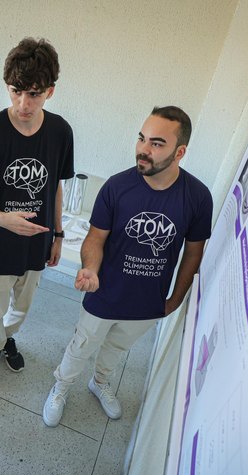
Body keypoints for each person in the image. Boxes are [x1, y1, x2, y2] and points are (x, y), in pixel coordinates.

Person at [42, 106, 213, 427]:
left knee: (116, 348)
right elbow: (94, 239)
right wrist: (90, 268)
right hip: (104, 293)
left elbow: (193, 253)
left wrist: (175, 300)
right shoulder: (117, 187)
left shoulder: (198, 197)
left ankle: (100, 382)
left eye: (156, 143)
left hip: (148, 302)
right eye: (141, 138)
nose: (143, 150)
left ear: (180, 152)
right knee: (81, 346)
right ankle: (61, 386)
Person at [0, 37, 75, 386]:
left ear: (51, 91)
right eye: (16, 91)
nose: (23, 103)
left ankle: (4, 339)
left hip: (37, 240)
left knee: (22, 304)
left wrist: (58, 234)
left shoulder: (60, 132)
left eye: (34, 93)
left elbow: (55, 186)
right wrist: (2, 218)